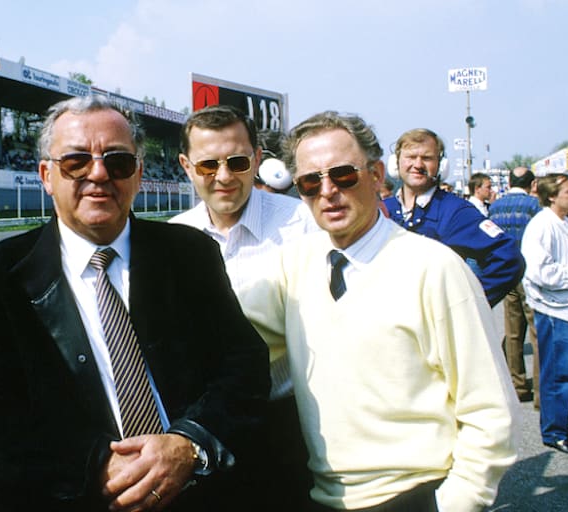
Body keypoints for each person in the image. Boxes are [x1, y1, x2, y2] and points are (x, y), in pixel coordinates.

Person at [0, 95, 271, 512]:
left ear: (139, 174)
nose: (98, 174)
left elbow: (245, 364)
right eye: (76, 161)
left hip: (198, 494)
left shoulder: (189, 253)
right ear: (46, 174)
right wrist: (92, 465)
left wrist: (190, 441)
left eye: (118, 162)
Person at [240, 111, 518, 511]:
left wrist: (454, 504)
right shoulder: (295, 262)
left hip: (415, 495)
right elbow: (231, 334)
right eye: (309, 182)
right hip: (323, 496)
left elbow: (492, 412)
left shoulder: (434, 268)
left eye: (343, 175)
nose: (327, 191)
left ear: (375, 176)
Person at [169, 104, 317, 510]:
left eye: (236, 162)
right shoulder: (172, 238)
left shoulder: (302, 224)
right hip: (209, 425)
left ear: (256, 160)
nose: (223, 177)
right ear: (186, 165)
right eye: (207, 165)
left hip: (288, 420)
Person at [383, 128, 524, 306]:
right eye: (410, 157)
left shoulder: (457, 211)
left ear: (441, 165)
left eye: (427, 158)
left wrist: (468, 306)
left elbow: (509, 258)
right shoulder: (382, 210)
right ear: (396, 163)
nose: (418, 165)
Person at [522, 173, 568, 457]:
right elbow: (539, 271)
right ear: (552, 196)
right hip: (554, 309)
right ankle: (554, 433)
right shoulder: (542, 225)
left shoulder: (563, 224)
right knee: (558, 373)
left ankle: (559, 427)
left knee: (566, 372)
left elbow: (560, 261)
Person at [489, 167, 543, 406]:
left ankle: (517, 385)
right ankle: (542, 392)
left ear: (509, 181)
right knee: (537, 333)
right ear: (532, 184)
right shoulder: (534, 206)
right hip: (532, 274)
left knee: (513, 332)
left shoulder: (496, 207)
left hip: (508, 274)